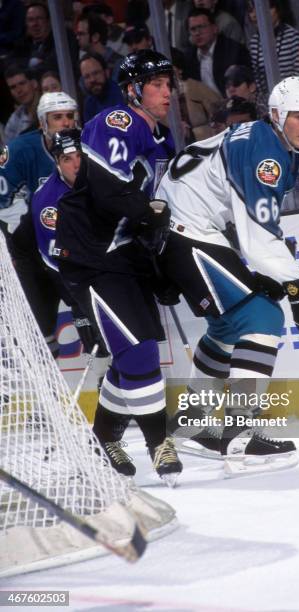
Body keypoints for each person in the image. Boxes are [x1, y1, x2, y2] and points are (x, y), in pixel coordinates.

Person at [156, 76, 299, 473]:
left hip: (184, 227)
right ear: (276, 115)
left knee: (226, 326)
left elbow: (254, 225)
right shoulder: (267, 154)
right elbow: (258, 243)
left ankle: (192, 425)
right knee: (263, 317)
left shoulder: (265, 139)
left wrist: (292, 282)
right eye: (298, 117)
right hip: (186, 230)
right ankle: (239, 436)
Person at [54, 50, 183, 485]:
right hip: (91, 254)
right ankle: (157, 441)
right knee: (142, 349)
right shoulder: (118, 122)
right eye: (157, 85)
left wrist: (157, 263)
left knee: (132, 354)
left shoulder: (161, 138)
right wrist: (150, 211)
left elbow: (148, 212)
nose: (168, 92)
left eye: (170, 84)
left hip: (122, 254)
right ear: (132, 91)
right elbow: (110, 189)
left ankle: (102, 437)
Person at [11, 128, 108, 377]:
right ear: (56, 162)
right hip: (41, 266)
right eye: (67, 159)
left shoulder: (102, 177)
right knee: (68, 333)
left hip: (82, 262)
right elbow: (59, 260)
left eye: (79, 156)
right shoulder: (49, 201)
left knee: (107, 335)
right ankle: (46, 406)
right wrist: (83, 299)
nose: (76, 164)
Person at [0, 91, 79, 357]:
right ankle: (50, 393)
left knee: (91, 326)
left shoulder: (87, 148)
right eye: (57, 117)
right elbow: (2, 200)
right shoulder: (20, 150)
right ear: (42, 123)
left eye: (69, 116)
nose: (66, 122)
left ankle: (108, 384)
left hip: (73, 253)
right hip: (32, 254)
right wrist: (12, 240)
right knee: (41, 336)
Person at [248, 0, 299, 109]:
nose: (255, 15)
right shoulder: (254, 42)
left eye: (267, 9)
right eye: (251, 11)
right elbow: (258, 81)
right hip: (266, 104)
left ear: (278, 10)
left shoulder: (293, 37)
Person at [185, 8, 251, 97]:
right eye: (193, 29)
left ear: (215, 28)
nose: (197, 33)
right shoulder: (189, 57)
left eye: (201, 27)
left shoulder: (233, 50)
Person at [79, 52, 124, 122]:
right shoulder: (88, 103)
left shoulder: (123, 95)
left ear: (107, 72)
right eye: (87, 77)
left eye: (96, 73)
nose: (92, 80)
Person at [4, 65, 40, 143]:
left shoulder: (49, 109)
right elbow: (6, 152)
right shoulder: (15, 118)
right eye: (13, 87)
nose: (19, 90)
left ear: (34, 83)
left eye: (22, 83)